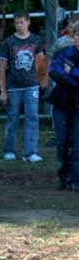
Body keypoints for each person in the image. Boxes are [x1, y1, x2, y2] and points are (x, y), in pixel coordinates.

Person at [0, 11, 45, 163]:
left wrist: (41, 79)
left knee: (32, 118)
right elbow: (2, 68)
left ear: (28, 22)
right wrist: (3, 90)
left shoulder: (36, 40)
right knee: (12, 118)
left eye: (22, 22)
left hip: (32, 86)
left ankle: (30, 152)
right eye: (17, 23)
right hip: (13, 86)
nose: (19, 25)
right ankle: (9, 150)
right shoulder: (8, 42)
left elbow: (40, 63)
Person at [48, 26, 79, 192]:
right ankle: (63, 176)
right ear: (74, 37)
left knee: (77, 142)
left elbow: (67, 73)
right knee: (61, 141)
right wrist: (73, 78)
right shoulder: (64, 52)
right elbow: (55, 72)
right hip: (62, 102)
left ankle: (75, 179)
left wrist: (71, 72)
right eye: (78, 35)